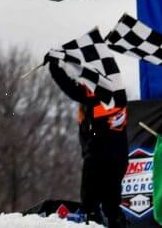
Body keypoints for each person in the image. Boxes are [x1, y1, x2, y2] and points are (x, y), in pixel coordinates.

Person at [48, 59, 129, 227]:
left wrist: (54, 67)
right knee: (112, 203)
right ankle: (113, 219)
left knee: (91, 203)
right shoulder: (118, 90)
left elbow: (72, 89)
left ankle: (92, 218)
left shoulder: (97, 93)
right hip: (118, 155)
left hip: (100, 153)